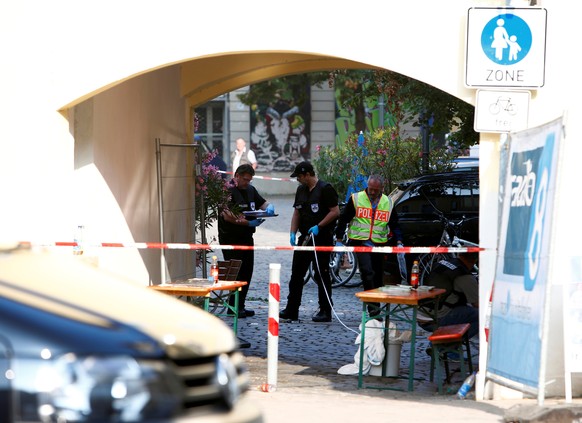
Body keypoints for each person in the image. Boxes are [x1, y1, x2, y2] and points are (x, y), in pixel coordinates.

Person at [280, 161, 340, 322]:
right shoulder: (301, 190)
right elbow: (297, 213)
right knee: (297, 274)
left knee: (322, 273)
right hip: (305, 238)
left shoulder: (325, 189)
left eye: (299, 176)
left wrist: (319, 226)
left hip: (322, 237)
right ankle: (292, 309)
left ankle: (325, 310)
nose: (297, 179)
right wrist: (292, 232)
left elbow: (335, 212)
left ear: (307, 175)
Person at [335, 174, 403, 316]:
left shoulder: (388, 202)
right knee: (367, 272)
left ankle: (375, 306)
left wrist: (399, 241)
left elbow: (394, 224)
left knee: (378, 276)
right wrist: (339, 239)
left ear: (381, 189)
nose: (372, 192)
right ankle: (373, 310)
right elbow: (344, 218)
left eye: (375, 190)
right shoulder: (357, 198)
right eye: (370, 189)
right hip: (361, 242)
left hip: (379, 244)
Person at [218, 163, 275, 317]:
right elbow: (228, 216)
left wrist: (269, 207)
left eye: (249, 180)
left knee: (246, 271)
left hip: (246, 237)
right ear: (236, 176)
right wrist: (247, 222)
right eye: (244, 179)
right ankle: (232, 306)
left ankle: (240, 305)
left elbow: (261, 203)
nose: (247, 182)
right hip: (231, 237)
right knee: (234, 271)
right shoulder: (227, 190)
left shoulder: (250, 190)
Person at [421, 253, 479, 339]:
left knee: (463, 309)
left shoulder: (443, 262)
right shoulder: (464, 275)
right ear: (476, 260)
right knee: (481, 316)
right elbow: (477, 304)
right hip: (437, 318)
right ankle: (445, 345)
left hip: (421, 313)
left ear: (459, 255)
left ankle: (443, 343)